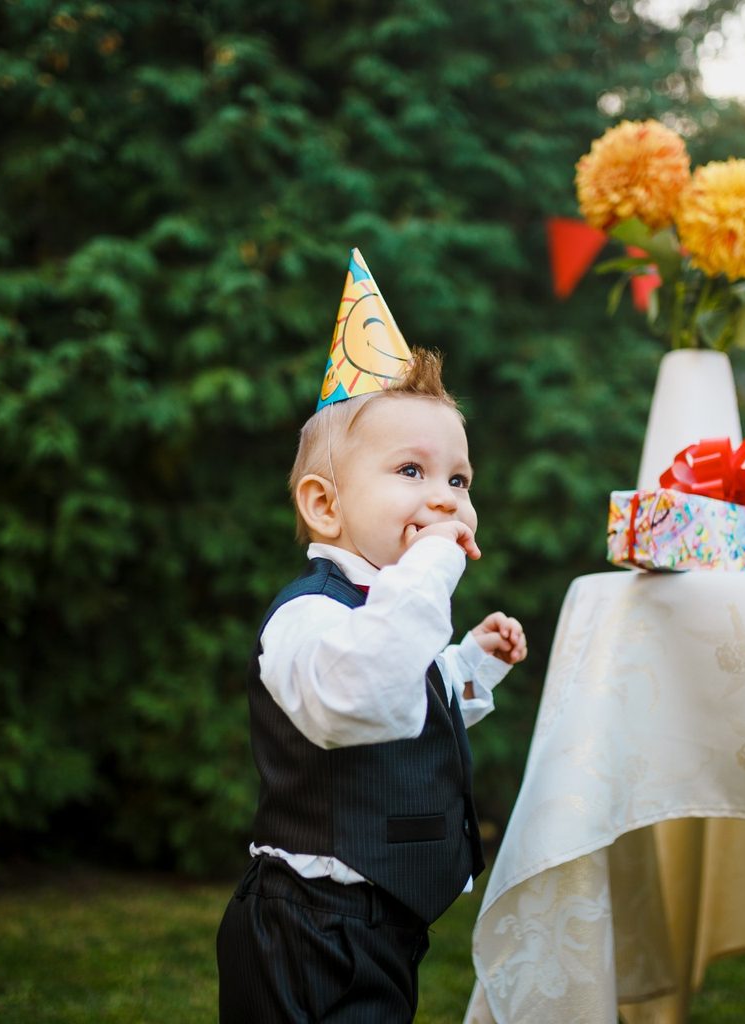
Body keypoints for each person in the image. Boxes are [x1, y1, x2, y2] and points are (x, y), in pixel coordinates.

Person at [216, 248, 527, 1023]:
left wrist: (468, 669)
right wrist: (428, 572)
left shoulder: (391, 614)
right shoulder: (309, 614)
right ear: (326, 506)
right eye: (411, 472)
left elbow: (406, 697)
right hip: (308, 926)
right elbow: (356, 699)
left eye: (458, 481)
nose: (445, 498)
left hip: (382, 922)